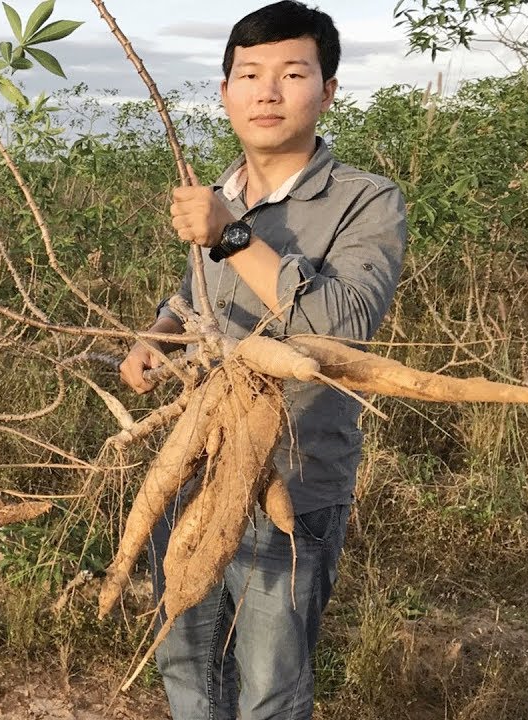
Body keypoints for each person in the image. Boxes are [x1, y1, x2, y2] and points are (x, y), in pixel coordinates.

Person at [118, 2, 406, 718]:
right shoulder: (215, 194)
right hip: (191, 470)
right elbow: (194, 294)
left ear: (328, 89)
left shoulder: (365, 200)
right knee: (186, 669)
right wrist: (156, 334)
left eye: (291, 73)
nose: (268, 92)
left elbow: (346, 322)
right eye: (249, 74)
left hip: (293, 482)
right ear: (225, 93)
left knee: (271, 688)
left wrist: (234, 237)